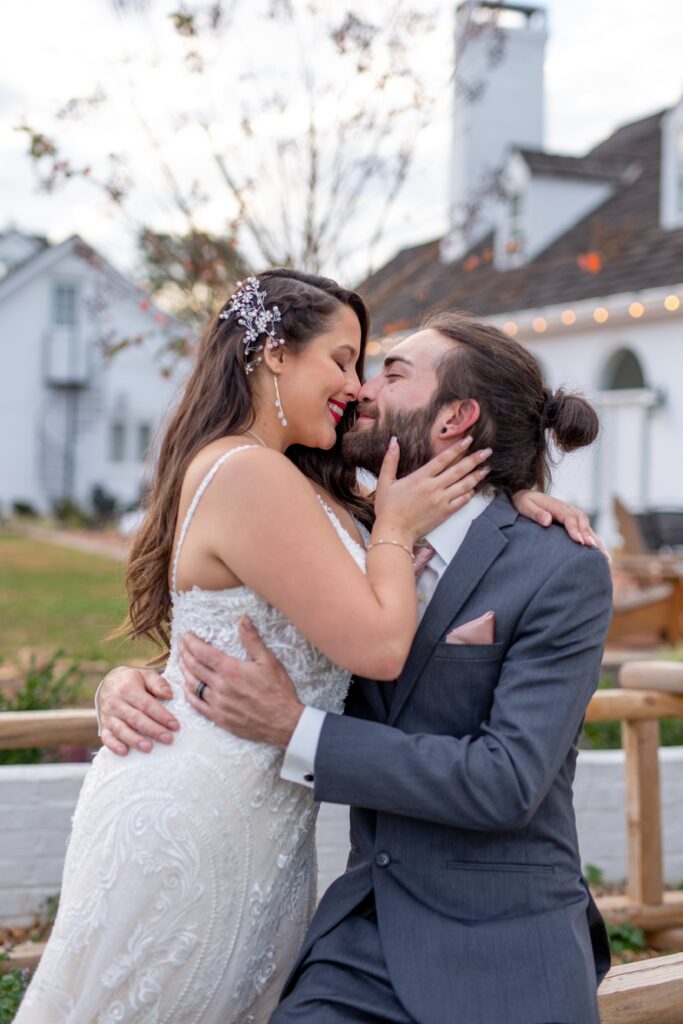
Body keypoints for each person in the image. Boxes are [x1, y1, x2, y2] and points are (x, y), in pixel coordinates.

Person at [18, 271, 554, 1024]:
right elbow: (377, 645)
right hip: (196, 815)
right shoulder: (245, 471)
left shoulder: (302, 481)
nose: (355, 385)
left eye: (365, 366)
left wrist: (512, 492)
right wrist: (394, 532)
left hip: (262, 826)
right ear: (273, 354)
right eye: (340, 360)